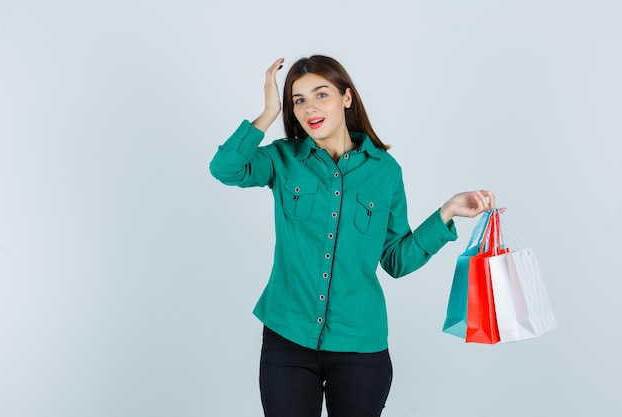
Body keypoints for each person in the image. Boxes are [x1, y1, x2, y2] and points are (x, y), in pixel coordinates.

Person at [210, 55, 499, 417]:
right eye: (298, 100)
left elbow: (395, 259)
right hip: (288, 338)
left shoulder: (385, 172)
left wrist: (447, 212)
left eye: (321, 94)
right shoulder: (282, 159)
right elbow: (225, 168)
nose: (309, 108)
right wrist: (268, 111)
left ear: (347, 98)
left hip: (360, 344)